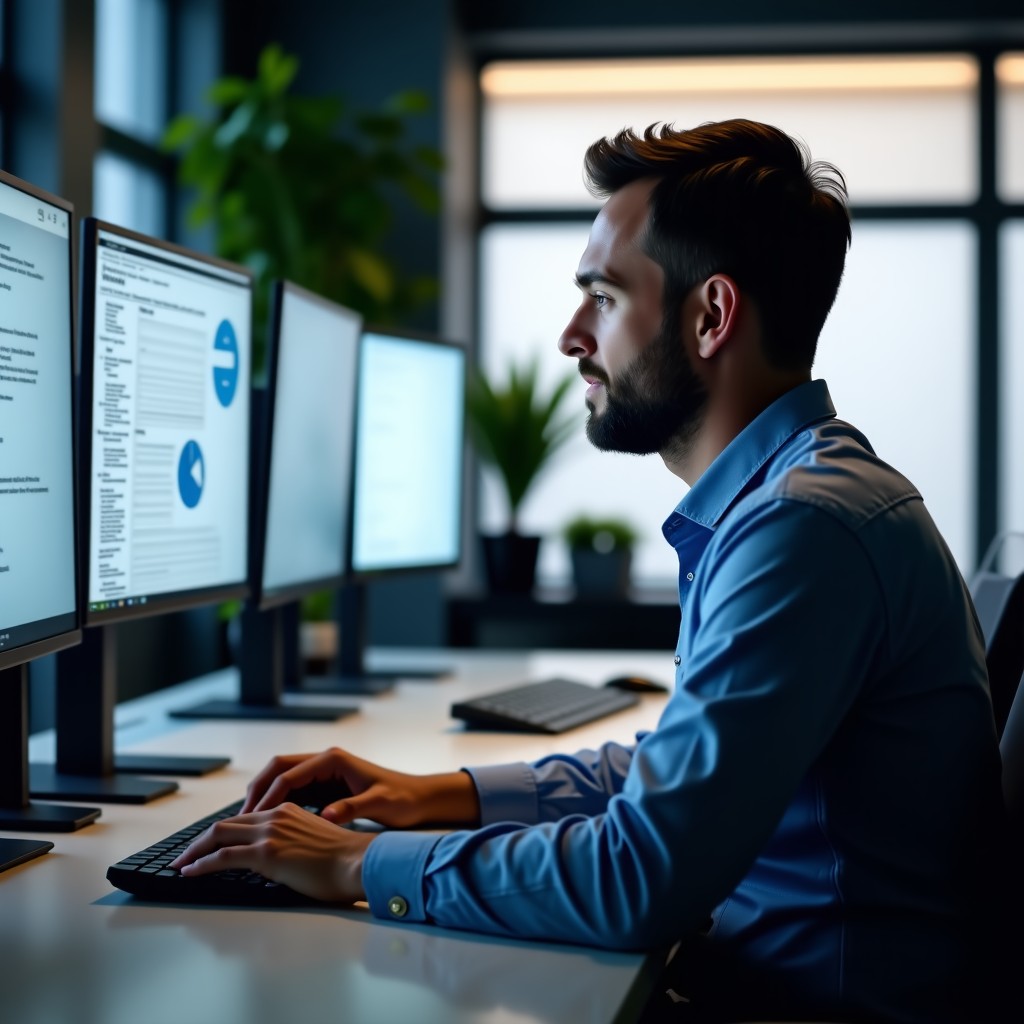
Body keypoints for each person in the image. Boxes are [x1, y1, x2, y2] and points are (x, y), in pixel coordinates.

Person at [173, 119, 1010, 1022]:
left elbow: (639, 876)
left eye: (603, 298)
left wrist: (353, 864)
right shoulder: (792, 501)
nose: (573, 336)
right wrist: (437, 795)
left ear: (710, 316)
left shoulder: (801, 531)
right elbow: (678, 774)